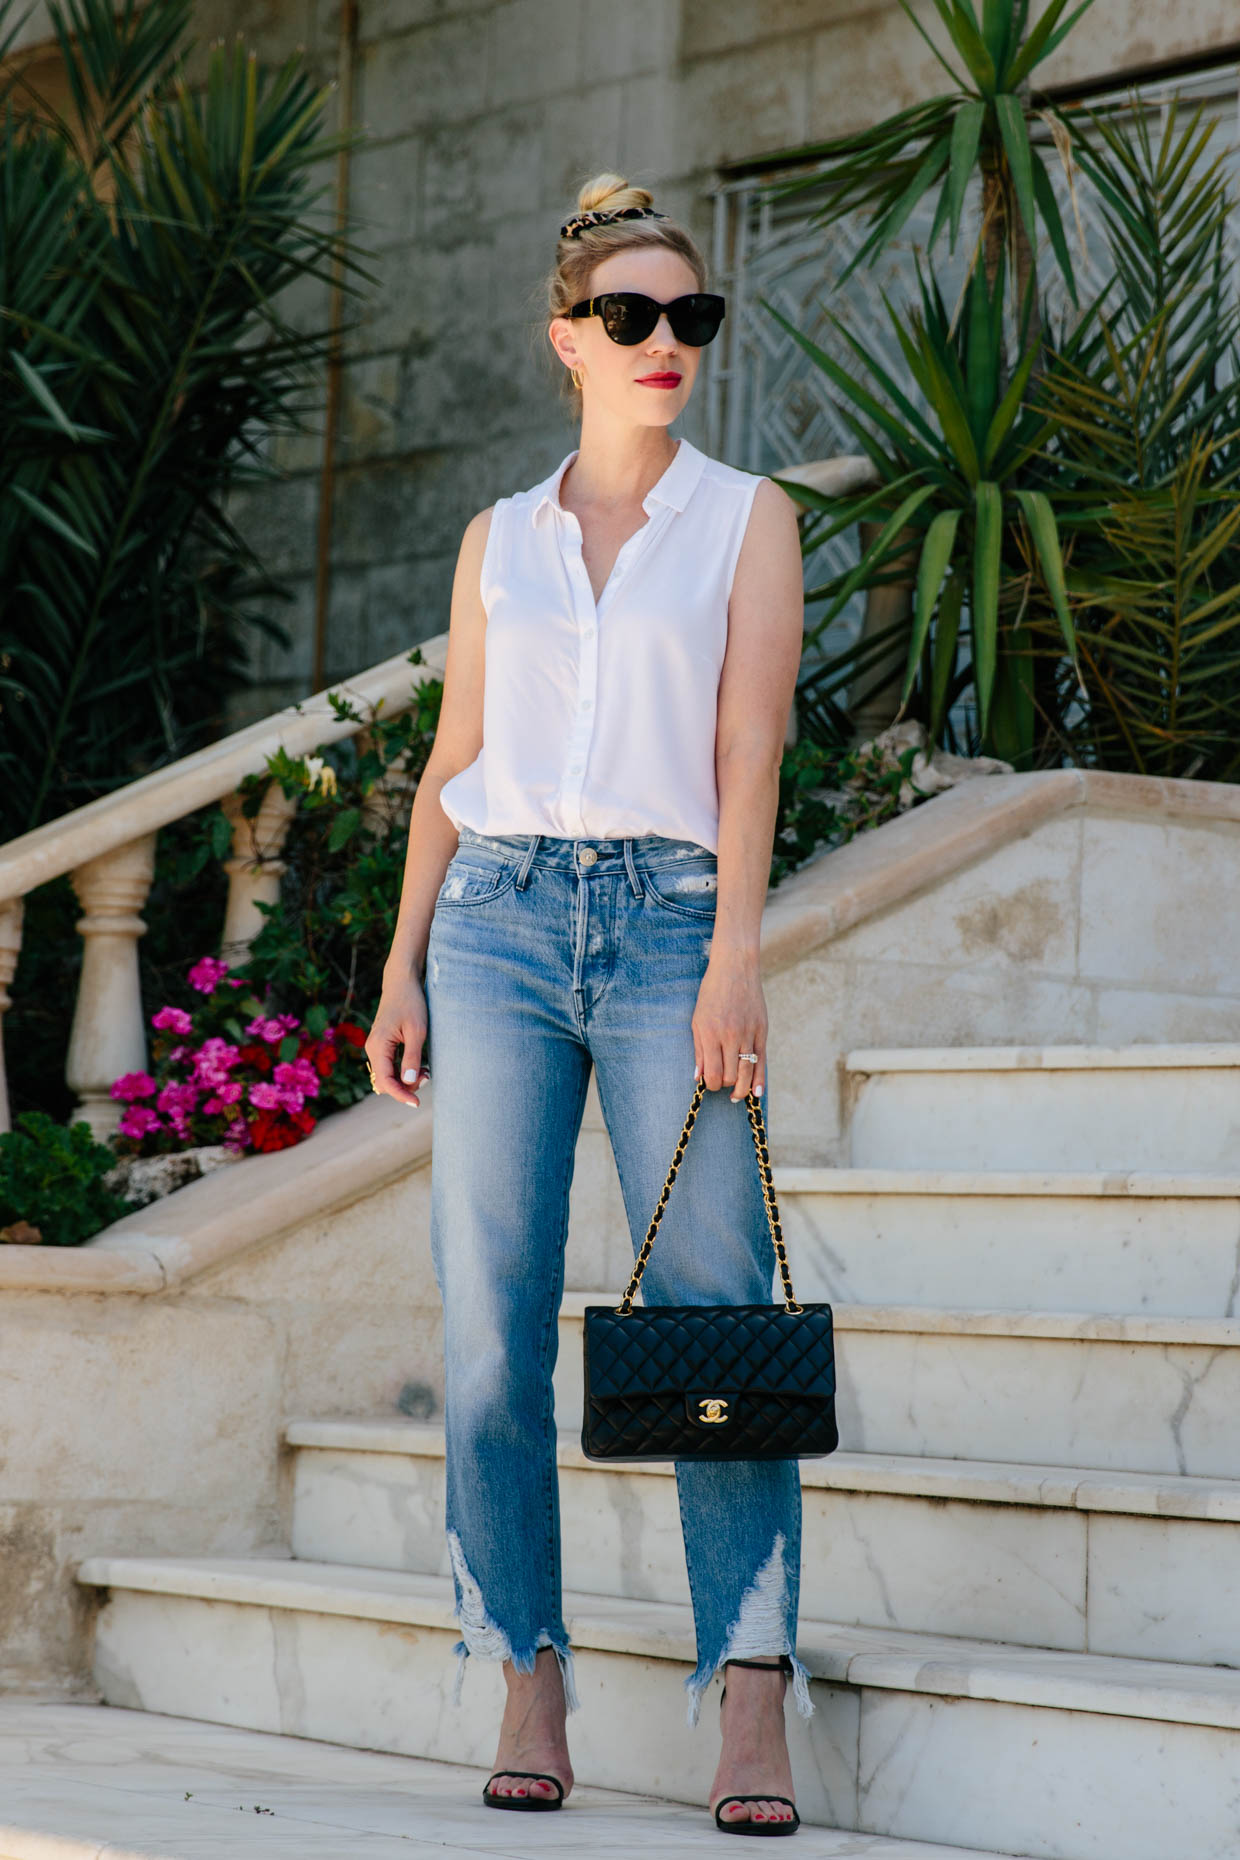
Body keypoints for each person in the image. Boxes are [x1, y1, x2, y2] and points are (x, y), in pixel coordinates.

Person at [365, 170, 808, 1837]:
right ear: (568, 339)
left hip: (669, 928)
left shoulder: (746, 519)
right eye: (631, 318)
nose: (666, 342)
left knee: (710, 1308)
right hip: (491, 927)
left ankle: (748, 1693)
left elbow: (748, 750)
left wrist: (736, 955)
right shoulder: (503, 539)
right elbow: (451, 766)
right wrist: (405, 961)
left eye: (691, 316)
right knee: (489, 1329)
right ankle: (528, 1672)